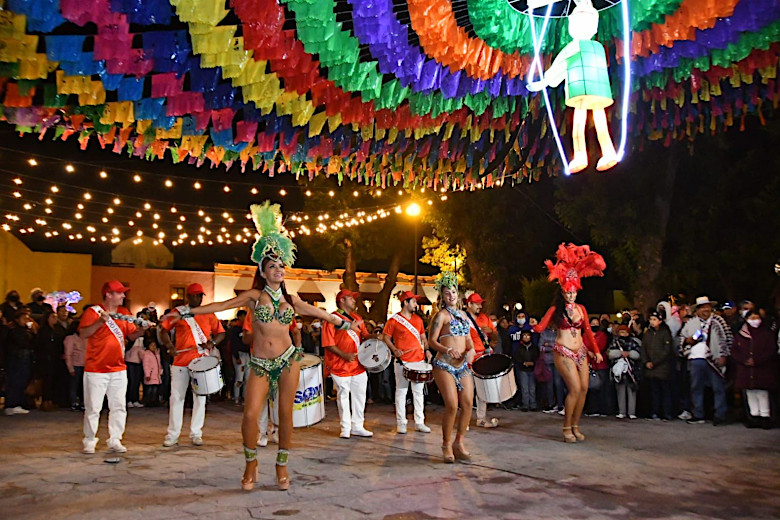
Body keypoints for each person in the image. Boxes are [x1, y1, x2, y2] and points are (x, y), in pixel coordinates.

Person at [161, 202, 356, 491]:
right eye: (272, 266)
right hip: (261, 364)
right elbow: (221, 304)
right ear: (263, 273)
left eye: (280, 265)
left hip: (288, 361)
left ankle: (281, 465)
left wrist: (341, 322)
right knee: (251, 414)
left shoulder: (292, 300)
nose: (278, 270)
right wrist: (187, 312)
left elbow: (320, 313)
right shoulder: (253, 296)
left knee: (285, 415)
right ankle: (251, 463)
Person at [534, 243, 605, 443]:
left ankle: (575, 425)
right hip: (563, 351)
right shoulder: (554, 310)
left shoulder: (581, 309)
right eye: (568, 292)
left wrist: (596, 350)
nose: (571, 295)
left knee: (584, 388)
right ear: (563, 292)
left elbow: (588, 331)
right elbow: (540, 327)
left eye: (574, 292)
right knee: (574, 388)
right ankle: (566, 427)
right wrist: (534, 328)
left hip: (581, 350)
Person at [78, 280, 149, 454]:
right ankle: (89, 440)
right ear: (108, 294)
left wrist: (142, 331)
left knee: (118, 406)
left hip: (118, 368)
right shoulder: (93, 312)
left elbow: (131, 336)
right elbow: (84, 333)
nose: (123, 296)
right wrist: (100, 322)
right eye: (119, 293)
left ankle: (115, 439)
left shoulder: (124, 313)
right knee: (93, 407)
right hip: (96, 368)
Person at [159, 283, 225, 447]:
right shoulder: (179, 312)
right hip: (180, 361)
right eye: (196, 295)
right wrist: (169, 346)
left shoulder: (208, 313)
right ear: (189, 296)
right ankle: (173, 434)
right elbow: (163, 330)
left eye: (201, 295)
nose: (199, 298)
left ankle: (196, 433)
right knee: (176, 398)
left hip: (201, 361)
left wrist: (212, 343)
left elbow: (221, 333)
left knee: (200, 398)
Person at [428, 272, 475, 462]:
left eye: (454, 292)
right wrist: (446, 349)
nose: (451, 296)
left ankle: (459, 442)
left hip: (462, 365)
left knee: (468, 403)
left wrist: (470, 350)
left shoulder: (464, 315)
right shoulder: (441, 316)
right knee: (452, 405)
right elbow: (431, 341)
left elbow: (469, 340)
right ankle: (446, 444)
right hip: (444, 364)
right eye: (447, 293)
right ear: (442, 296)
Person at [322, 289, 373, 439]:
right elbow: (328, 343)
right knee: (343, 396)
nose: (354, 300)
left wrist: (376, 337)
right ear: (342, 300)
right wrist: (344, 355)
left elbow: (366, 336)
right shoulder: (332, 318)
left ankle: (358, 425)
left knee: (360, 396)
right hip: (340, 364)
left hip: (358, 364)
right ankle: (345, 427)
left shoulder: (357, 318)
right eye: (351, 298)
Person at [382, 290, 431, 434]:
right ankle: (401, 423)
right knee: (401, 392)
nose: (416, 304)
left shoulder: (418, 320)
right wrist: (394, 350)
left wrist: (427, 350)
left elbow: (423, 337)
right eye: (414, 301)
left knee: (418, 393)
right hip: (402, 361)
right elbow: (386, 337)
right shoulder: (393, 320)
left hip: (419, 360)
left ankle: (419, 422)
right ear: (406, 302)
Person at [679, 296, 733, 425]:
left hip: (714, 358)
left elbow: (727, 339)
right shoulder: (691, 323)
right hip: (695, 358)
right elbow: (682, 338)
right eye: (702, 307)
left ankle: (720, 414)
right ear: (697, 310)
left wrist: (724, 355)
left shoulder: (719, 321)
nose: (705, 310)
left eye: (707, 307)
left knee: (718, 387)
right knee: (696, 388)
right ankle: (698, 414)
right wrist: (688, 341)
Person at [731, 309, 778, 428]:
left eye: (757, 318)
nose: (755, 321)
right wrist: (744, 360)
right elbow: (734, 351)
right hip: (745, 369)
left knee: (762, 393)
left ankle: (765, 416)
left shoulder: (766, 334)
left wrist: (757, 360)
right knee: (750, 393)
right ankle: (754, 416)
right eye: (752, 318)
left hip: (762, 369)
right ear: (746, 319)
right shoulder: (740, 335)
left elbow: (771, 350)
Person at [464, 293, 499, 428]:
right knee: (468, 389)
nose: (480, 306)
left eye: (480, 304)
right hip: (468, 356)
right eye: (477, 304)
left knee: (482, 390)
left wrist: (491, 331)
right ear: (469, 304)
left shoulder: (485, 318)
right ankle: (465, 419)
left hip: (483, 355)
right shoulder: (463, 319)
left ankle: (481, 418)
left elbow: (495, 337)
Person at [641, 310, 674, 420]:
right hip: (650, 368)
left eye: (654, 320)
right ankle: (654, 412)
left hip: (662, 367)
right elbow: (643, 349)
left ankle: (666, 413)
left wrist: (655, 362)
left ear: (660, 321)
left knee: (665, 391)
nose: (652, 322)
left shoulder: (665, 333)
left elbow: (667, 350)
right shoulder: (647, 334)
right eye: (651, 319)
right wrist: (646, 362)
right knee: (654, 392)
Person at [4, 309, 36, 415]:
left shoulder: (26, 330)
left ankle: (19, 403)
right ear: (17, 319)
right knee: (15, 381)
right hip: (17, 358)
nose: (26, 320)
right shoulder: (13, 330)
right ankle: (11, 404)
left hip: (24, 358)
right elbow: (23, 342)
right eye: (23, 318)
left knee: (23, 381)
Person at [35, 310, 68, 410]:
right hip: (46, 359)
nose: (55, 319)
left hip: (57, 359)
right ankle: (46, 401)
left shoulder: (59, 329)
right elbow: (39, 345)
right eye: (52, 317)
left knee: (56, 380)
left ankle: (55, 400)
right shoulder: (43, 331)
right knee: (47, 381)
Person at [608, 325, 641, 419]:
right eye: (621, 332)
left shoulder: (634, 342)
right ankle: (622, 411)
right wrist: (620, 353)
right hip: (619, 371)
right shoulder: (615, 342)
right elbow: (609, 354)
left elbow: (638, 354)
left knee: (632, 391)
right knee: (620, 391)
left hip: (631, 370)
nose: (623, 334)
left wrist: (629, 354)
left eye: (625, 332)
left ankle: (632, 412)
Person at [513, 330, 539, 411]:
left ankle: (533, 405)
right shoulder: (519, 348)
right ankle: (525, 405)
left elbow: (537, 357)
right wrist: (524, 363)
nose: (526, 337)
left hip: (532, 369)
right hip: (522, 369)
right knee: (524, 388)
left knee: (532, 388)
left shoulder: (534, 348)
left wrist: (533, 363)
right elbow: (517, 358)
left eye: (528, 336)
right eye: (524, 336)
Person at [229, 310, 250, 405]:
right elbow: (233, 344)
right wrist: (236, 356)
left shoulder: (247, 328)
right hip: (239, 354)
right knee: (239, 378)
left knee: (247, 378)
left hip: (247, 355)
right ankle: (236, 397)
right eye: (243, 316)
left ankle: (245, 397)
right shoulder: (235, 329)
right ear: (239, 317)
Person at [64, 321, 86, 411]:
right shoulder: (70, 338)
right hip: (75, 365)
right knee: (74, 385)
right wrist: (70, 368)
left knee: (83, 386)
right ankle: (73, 402)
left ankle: (83, 402)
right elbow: (68, 354)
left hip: (86, 365)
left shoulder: (86, 338)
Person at [142, 335, 163, 407]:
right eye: (151, 345)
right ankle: (148, 401)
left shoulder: (157, 354)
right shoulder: (147, 354)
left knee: (155, 389)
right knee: (150, 390)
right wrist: (147, 374)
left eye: (154, 345)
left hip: (156, 375)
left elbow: (159, 364)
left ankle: (154, 401)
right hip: (150, 375)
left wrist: (160, 372)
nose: (153, 347)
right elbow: (146, 365)